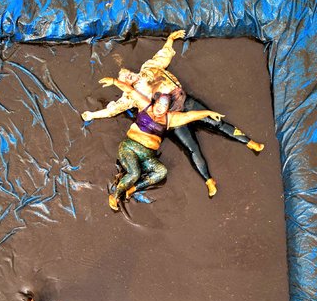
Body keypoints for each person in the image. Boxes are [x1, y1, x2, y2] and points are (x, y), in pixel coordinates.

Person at [81, 30, 264, 198]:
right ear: (126, 86)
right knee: (192, 147)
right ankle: (209, 180)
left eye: (128, 74)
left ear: (132, 72)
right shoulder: (133, 97)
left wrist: (170, 40)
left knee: (216, 121)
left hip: (185, 101)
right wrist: (92, 115)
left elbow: (163, 56)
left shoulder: (149, 68)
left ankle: (249, 142)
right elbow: (113, 109)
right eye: (126, 80)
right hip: (170, 118)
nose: (129, 78)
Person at [97, 77, 223, 210]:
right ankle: (115, 195)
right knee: (134, 173)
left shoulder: (171, 118)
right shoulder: (145, 105)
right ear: (155, 102)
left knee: (161, 171)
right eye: (158, 104)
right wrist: (114, 81)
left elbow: (190, 115)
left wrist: (208, 112)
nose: (159, 109)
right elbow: (131, 91)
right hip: (130, 147)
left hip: (148, 156)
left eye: (164, 107)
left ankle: (133, 188)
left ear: (168, 109)